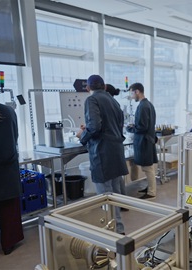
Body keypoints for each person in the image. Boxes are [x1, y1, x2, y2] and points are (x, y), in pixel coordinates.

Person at [76, 75, 128, 234]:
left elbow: (95, 126)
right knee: (114, 194)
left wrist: (82, 136)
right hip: (116, 151)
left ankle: (113, 232)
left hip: (102, 153)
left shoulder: (91, 100)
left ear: (87, 88)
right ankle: (118, 229)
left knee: (105, 196)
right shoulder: (113, 101)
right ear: (104, 86)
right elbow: (116, 124)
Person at [0, 81, 24, 254]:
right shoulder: (9, 111)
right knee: (9, 210)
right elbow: (15, 136)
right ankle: (8, 244)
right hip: (7, 167)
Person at [126, 83, 158, 200]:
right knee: (147, 168)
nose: (131, 96)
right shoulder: (149, 105)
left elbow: (142, 127)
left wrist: (130, 128)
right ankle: (150, 187)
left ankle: (152, 191)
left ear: (137, 91)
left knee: (148, 168)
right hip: (147, 140)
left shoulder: (142, 106)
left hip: (144, 141)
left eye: (132, 93)